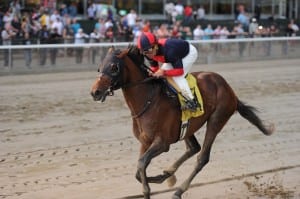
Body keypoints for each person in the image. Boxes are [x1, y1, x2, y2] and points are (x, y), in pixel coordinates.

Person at [137, 31, 198, 111]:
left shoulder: (170, 51)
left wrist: (163, 72)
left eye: (149, 50)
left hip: (188, 53)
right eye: (144, 52)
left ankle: (191, 101)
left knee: (177, 77)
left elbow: (179, 71)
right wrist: (152, 72)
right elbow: (154, 68)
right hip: (172, 58)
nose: (148, 54)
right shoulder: (148, 53)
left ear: (156, 46)